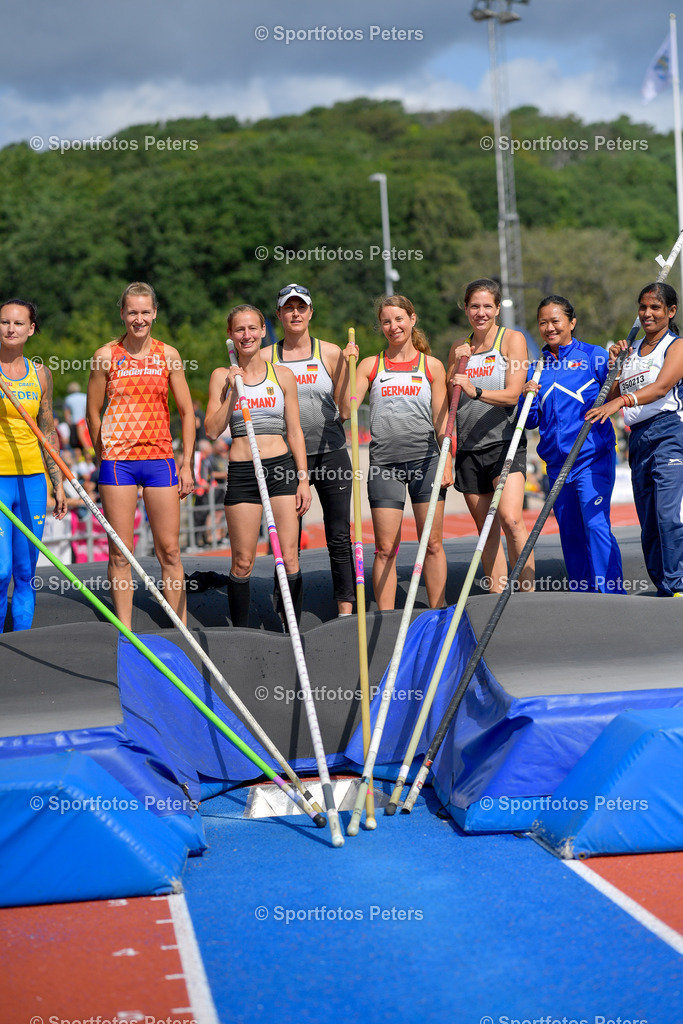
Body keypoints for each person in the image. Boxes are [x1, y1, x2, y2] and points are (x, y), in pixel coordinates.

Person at [87, 282, 195, 628]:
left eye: (145, 312)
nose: (138, 318)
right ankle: (125, 630)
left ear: (154, 313)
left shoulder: (169, 355)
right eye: (132, 312)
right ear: (122, 313)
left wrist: (187, 462)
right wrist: (101, 456)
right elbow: (93, 412)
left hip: (160, 460)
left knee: (171, 551)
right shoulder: (105, 356)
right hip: (118, 463)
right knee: (121, 552)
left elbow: (187, 411)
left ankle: (179, 626)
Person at [205, 304, 311, 628]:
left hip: (281, 469)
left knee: (289, 557)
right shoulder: (221, 377)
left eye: (253, 328)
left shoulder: (283, 375)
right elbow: (211, 430)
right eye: (240, 329)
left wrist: (303, 479)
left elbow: (294, 431)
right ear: (231, 335)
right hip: (242, 472)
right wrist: (231, 396)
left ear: (264, 331)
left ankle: (290, 624)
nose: (247, 335)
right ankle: (240, 631)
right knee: (242, 561)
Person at [343, 295, 451, 611]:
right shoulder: (369, 366)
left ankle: (438, 613)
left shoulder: (431, 366)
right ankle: (387, 617)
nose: (393, 326)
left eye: (399, 319)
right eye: (387, 321)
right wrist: (343, 368)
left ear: (412, 320)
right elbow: (345, 409)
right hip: (384, 465)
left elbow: (442, 420)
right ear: (381, 326)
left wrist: (448, 458)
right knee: (385, 548)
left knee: (431, 544)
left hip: (426, 461)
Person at [261, 283, 355, 616]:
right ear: (279, 315)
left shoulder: (330, 353)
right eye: (289, 308)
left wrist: (347, 371)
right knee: (286, 543)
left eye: (301, 307)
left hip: (330, 452)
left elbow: (346, 410)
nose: (296, 313)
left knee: (339, 535)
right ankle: (289, 614)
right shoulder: (265, 357)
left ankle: (346, 608)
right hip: (283, 458)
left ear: (311, 312)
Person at [521, 295, 625, 594]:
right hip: (555, 466)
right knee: (571, 533)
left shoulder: (594, 356)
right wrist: (526, 397)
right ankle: (583, 595)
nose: (549, 328)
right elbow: (530, 422)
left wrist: (616, 369)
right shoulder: (535, 367)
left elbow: (614, 395)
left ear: (571, 322)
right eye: (543, 322)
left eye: (556, 321)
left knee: (595, 526)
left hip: (592, 461)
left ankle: (613, 593)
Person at [586, 282, 683, 596]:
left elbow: (660, 388)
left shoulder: (676, 345)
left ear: (671, 311)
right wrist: (616, 364)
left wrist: (621, 402)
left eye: (655, 308)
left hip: (669, 432)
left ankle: (678, 582)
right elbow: (609, 395)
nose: (648, 314)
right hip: (638, 438)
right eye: (643, 307)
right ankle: (664, 587)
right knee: (649, 522)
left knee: (668, 515)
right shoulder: (630, 350)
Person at [448, 278, 533, 594]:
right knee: (486, 531)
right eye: (474, 306)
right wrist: (458, 363)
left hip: (504, 443)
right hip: (469, 448)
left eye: (487, 306)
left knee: (511, 519)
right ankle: (497, 598)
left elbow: (512, 395)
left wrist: (477, 389)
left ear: (497, 308)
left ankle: (527, 596)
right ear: (466, 309)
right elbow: (449, 397)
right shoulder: (460, 348)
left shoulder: (512, 340)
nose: (480, 312)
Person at [0, 298, 67, 630]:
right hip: (0, 481)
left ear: (31, 329)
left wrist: (58, 483)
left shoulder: (41, 374)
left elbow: (47, 430)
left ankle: (20, 645)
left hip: (32, 480)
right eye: (4, 322)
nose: (10, 328)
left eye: (17, 323)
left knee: (25, 571)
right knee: (0, 572)